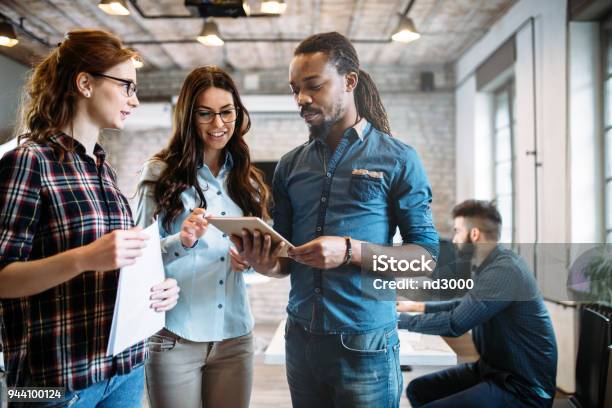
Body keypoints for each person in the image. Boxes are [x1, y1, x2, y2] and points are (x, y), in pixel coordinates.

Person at [232, 32, 439, 408]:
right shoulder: (290, 166)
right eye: (295, 89)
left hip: (366, 346)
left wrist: (349, 250)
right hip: (300, 340)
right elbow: (284, 260)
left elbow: (424, 258)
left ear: (349, 81)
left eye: (313, 86)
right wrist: (264, 261)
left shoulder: (398, 159)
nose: (301, 99)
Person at [0, 29, 180, 407]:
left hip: (124, 370)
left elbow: (116, 264)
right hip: (53, 383)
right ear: (85, 83)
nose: (134, 99)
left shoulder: (102, 168)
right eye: (126, 86)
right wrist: (84, 258)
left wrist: (155, 291)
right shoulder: (28, 162)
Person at [134, 65, 270, 408]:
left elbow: (261, 263)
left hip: (235, 336)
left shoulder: (247, 181)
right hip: (175, 337)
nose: (218, 124)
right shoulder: (158, 173)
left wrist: (252, 262)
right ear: (188, 117)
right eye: (205, 114)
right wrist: (183, 241)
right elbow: (139, 257)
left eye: (226, 112)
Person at [397, 200, 558, 408]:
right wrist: (418, 307)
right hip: (492, 371)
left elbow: (455, 324)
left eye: (457, 231)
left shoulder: (505, 270)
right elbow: (466, 305)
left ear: (474, 235)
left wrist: (400, 321)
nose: (454, 239)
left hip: (522, 389)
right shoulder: (490, 266)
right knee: (418, 389)